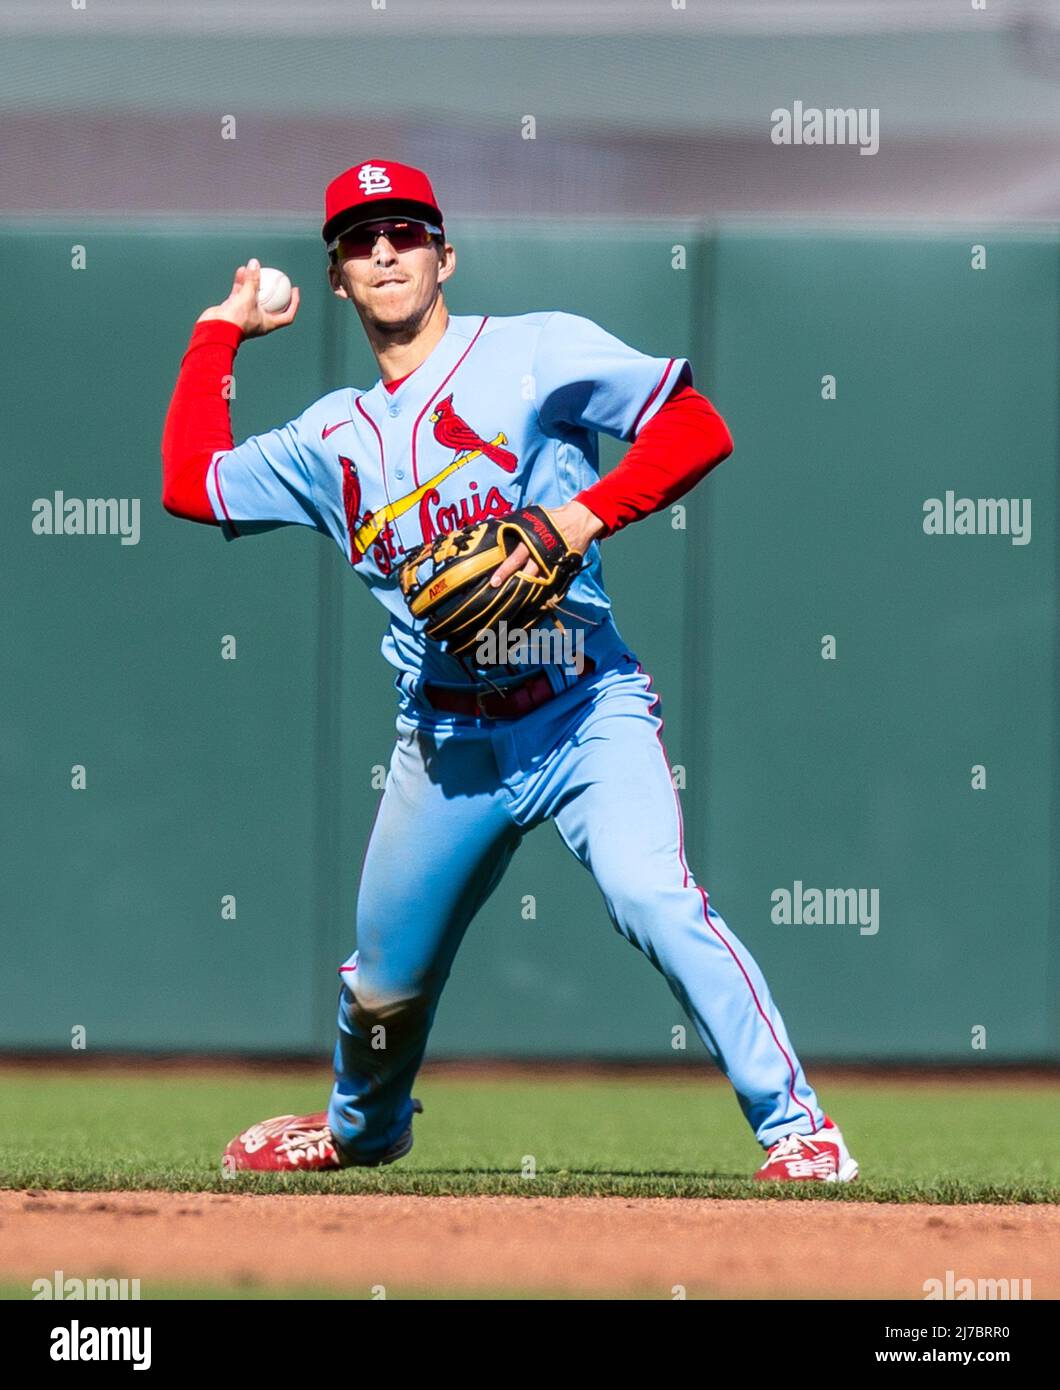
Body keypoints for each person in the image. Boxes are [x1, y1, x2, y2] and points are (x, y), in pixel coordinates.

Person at [162, 159, 858, 1184]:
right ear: (340, 277)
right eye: (360, 240)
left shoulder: (537, 352)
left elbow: (696, 424)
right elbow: (191, 483)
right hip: (444, 744)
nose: (385, 250)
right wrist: (219, 330)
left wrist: (576, 517)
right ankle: (361, 1129)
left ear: (446, 255)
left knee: (654, 896)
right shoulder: (329, 439)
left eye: (404, 232)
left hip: (582, 707)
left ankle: (800, 1130)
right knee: (380, 988)